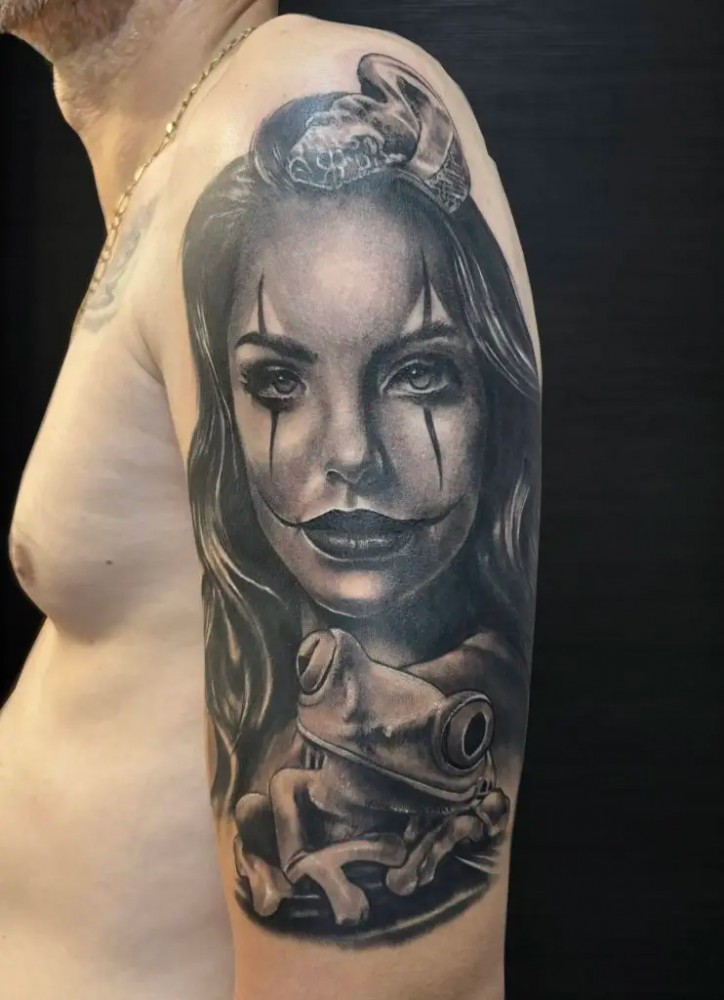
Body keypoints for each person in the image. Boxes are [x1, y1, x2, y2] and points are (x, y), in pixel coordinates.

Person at [0, 2, 541, 998]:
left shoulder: (298, 98)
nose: (350, 454)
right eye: (278, 381)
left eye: (417, 373)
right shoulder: (184, 165)